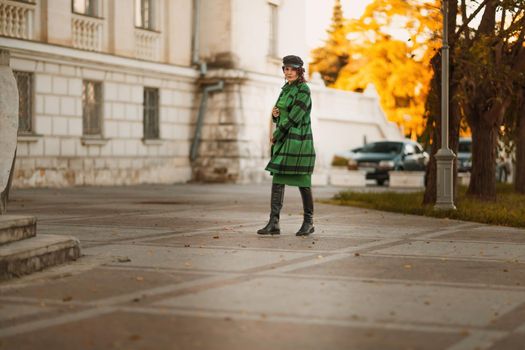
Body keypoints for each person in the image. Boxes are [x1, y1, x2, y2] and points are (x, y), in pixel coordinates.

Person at [257, 55, 316, 237]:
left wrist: (277, 134)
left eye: (292, 68)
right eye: (286, 69)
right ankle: (273, 223)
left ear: (299, 71)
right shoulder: (285, 90)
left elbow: (294, 117)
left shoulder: (303, 90)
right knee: (278, 180)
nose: (288, 72)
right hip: (285, 141)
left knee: (303, 182)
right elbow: (280, 113)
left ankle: (308, 222)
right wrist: (275, 115)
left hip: (298, 143)